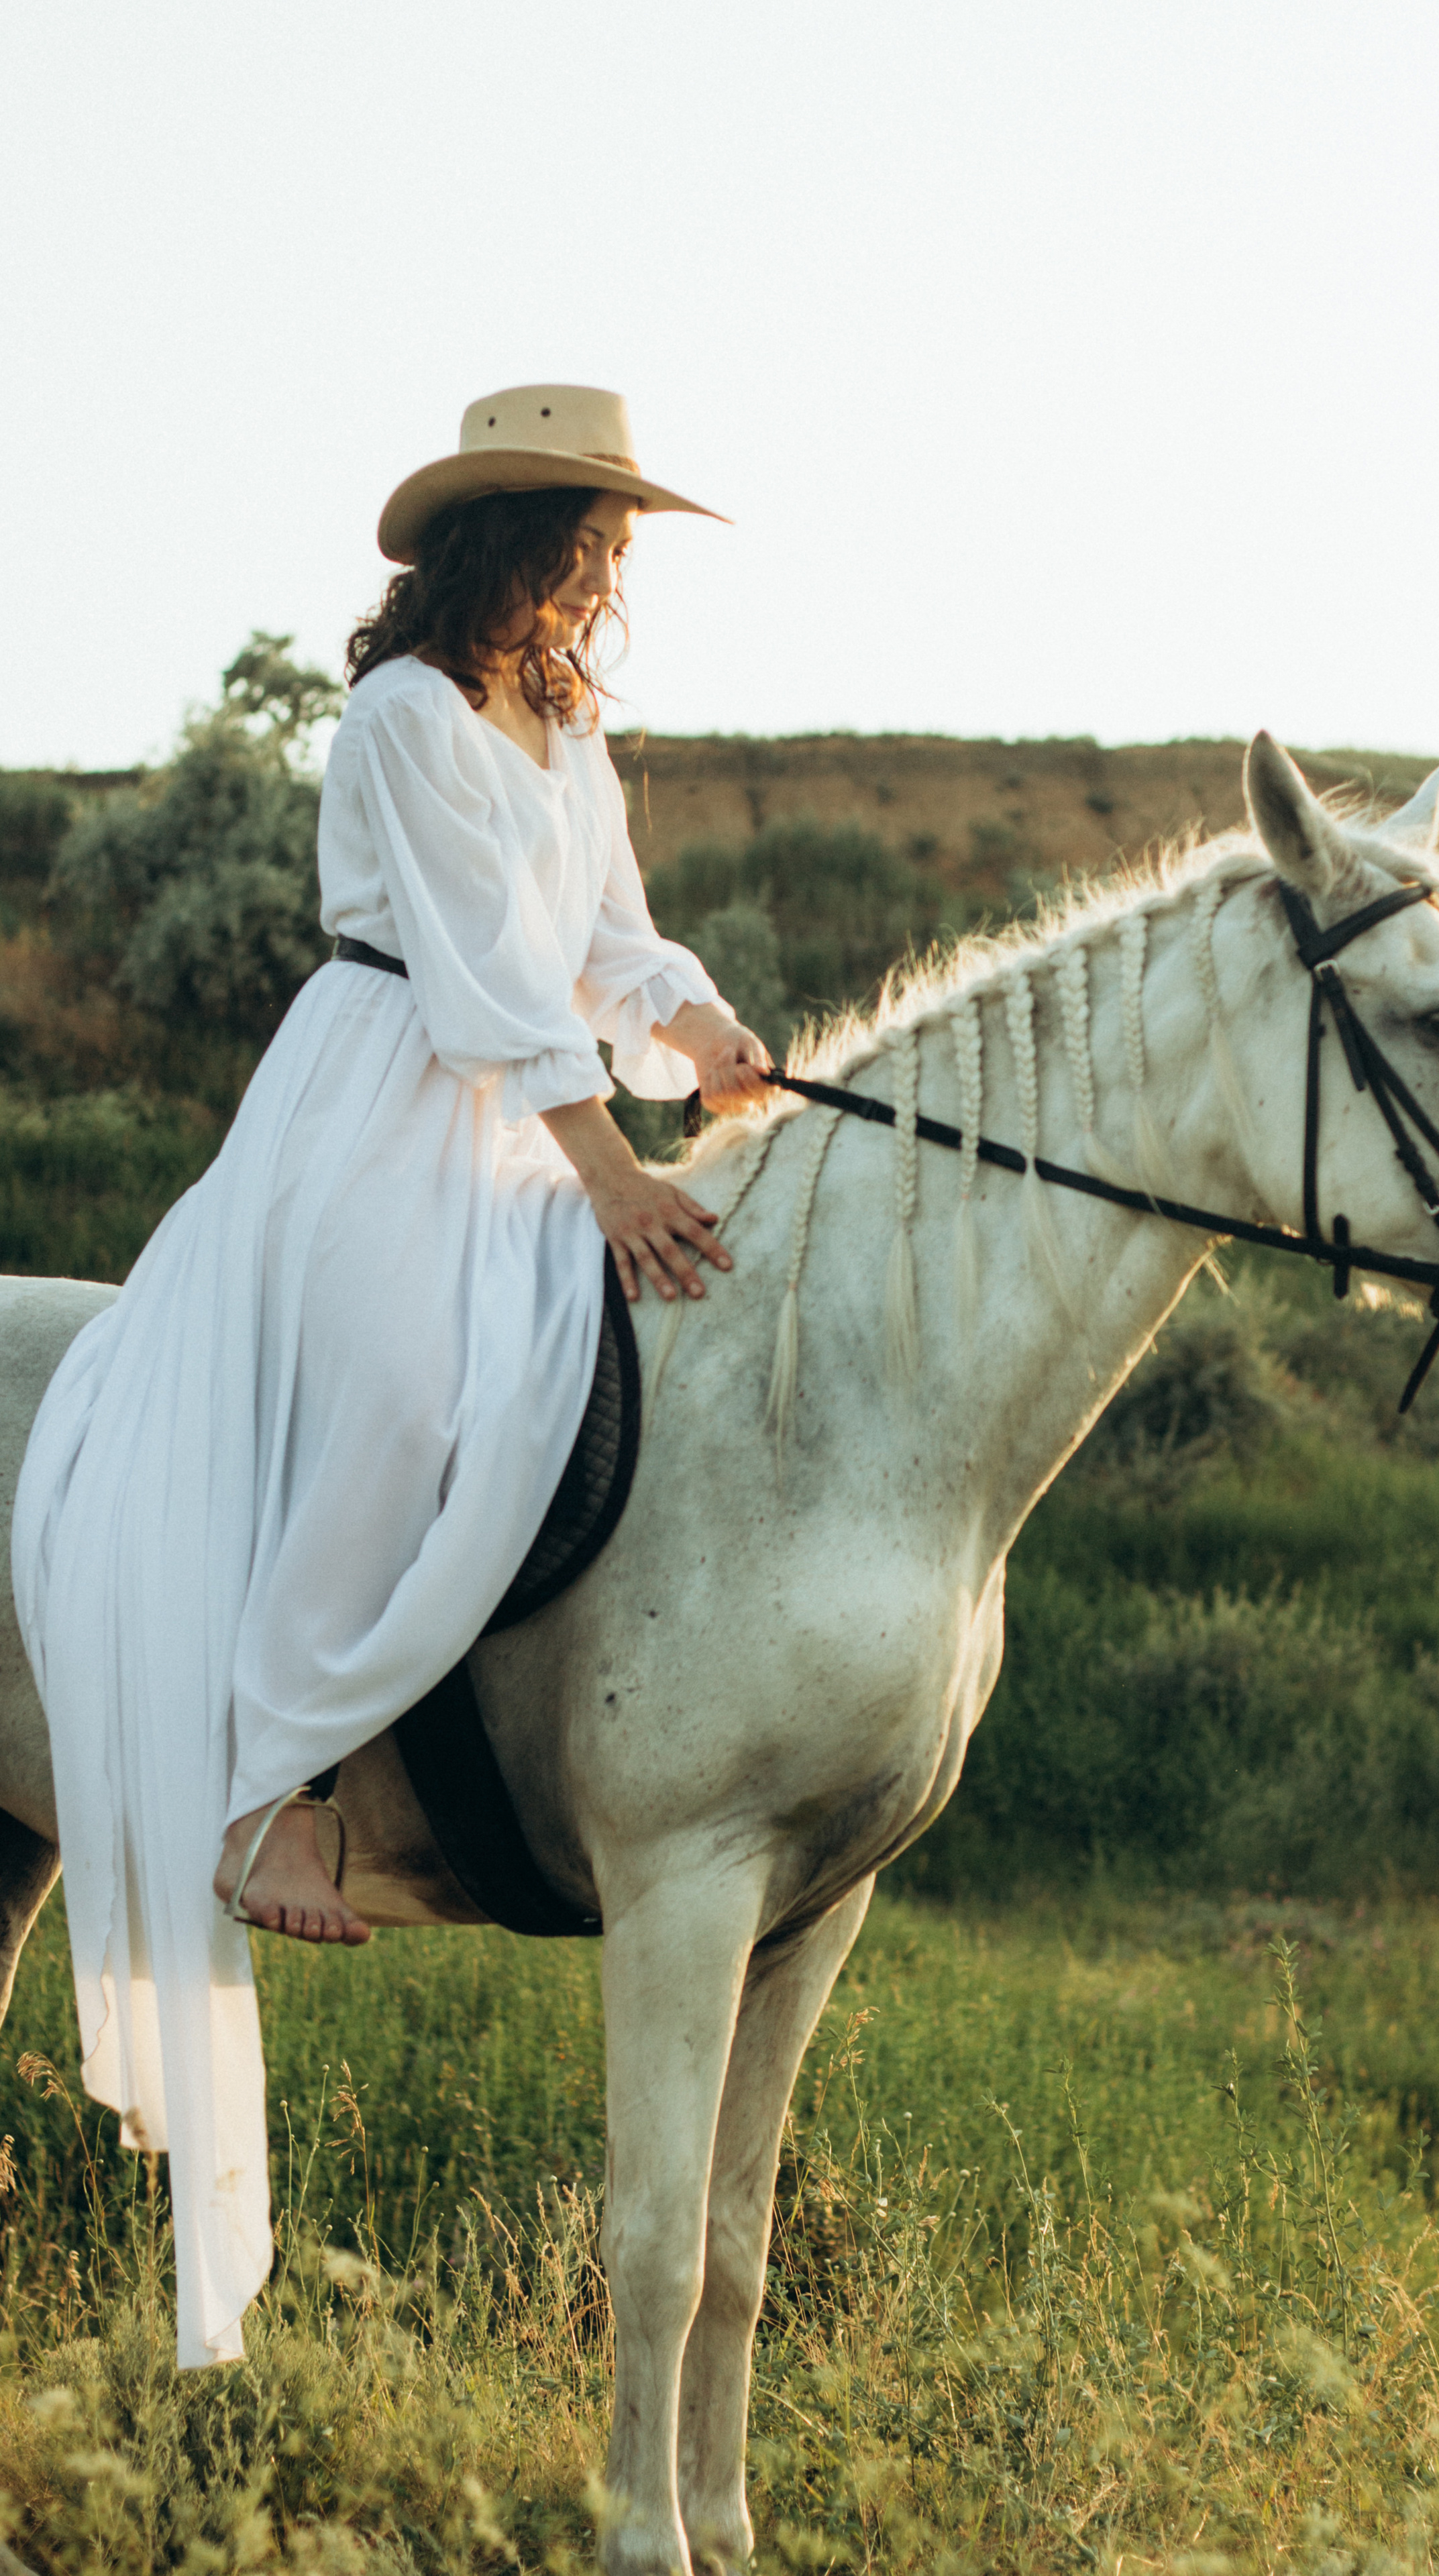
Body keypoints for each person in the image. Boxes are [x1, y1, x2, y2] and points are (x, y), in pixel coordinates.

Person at [11, 383, 769, 2367]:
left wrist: (703, 1031)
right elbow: (474, 980)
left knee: (574, 1389)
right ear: (506, 538)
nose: (611, 571)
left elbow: (602, 944)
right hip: (375, 1104)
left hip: (522, 1115)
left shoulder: (570, 727)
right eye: (591, 534)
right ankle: (270, 1788)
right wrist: (607, 1166)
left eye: (619, 542)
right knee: (419, 1391)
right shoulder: (404, 719)